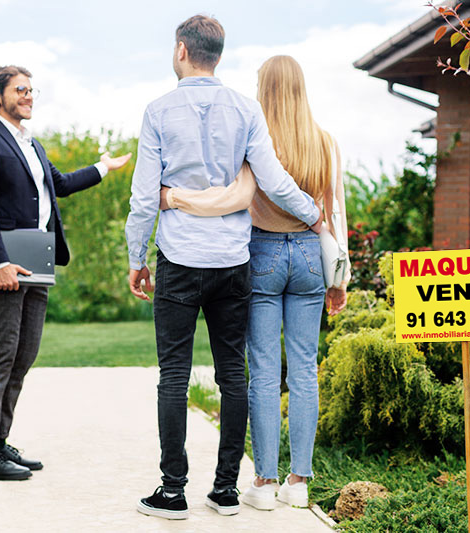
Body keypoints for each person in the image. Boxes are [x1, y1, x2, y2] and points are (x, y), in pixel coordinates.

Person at [125, 16, 323, 520]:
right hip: (234, 262)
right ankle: (226, 490)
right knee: (232, 374)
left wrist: (136, 258)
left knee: (174, 375)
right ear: (217, 53)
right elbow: (274, 181)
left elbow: (145, 197)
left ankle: (172, 493)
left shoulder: (158, 111)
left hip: (180, 261)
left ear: (181, 50)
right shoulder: (246, 108)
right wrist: (314, 215)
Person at [160, 55, 349, 510]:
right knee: (305, 369)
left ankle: (263, 483)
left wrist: (172, 198)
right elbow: (335, 209)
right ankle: (299, 481)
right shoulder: (324, 142)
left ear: (265, 89)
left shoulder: (256, 136)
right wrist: (341, 276)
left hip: (262, 253)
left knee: (263, 371)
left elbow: (238, 194)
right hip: (308, 253)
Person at [0, 65, 131, 481]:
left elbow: (62, 185)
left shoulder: (32, 145)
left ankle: (0, 443)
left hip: (39, 263)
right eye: (20, 90)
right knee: (2, 352)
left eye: (32, 90)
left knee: (25, 353)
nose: (29, 96)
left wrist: (103, 167)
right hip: (7, 264)